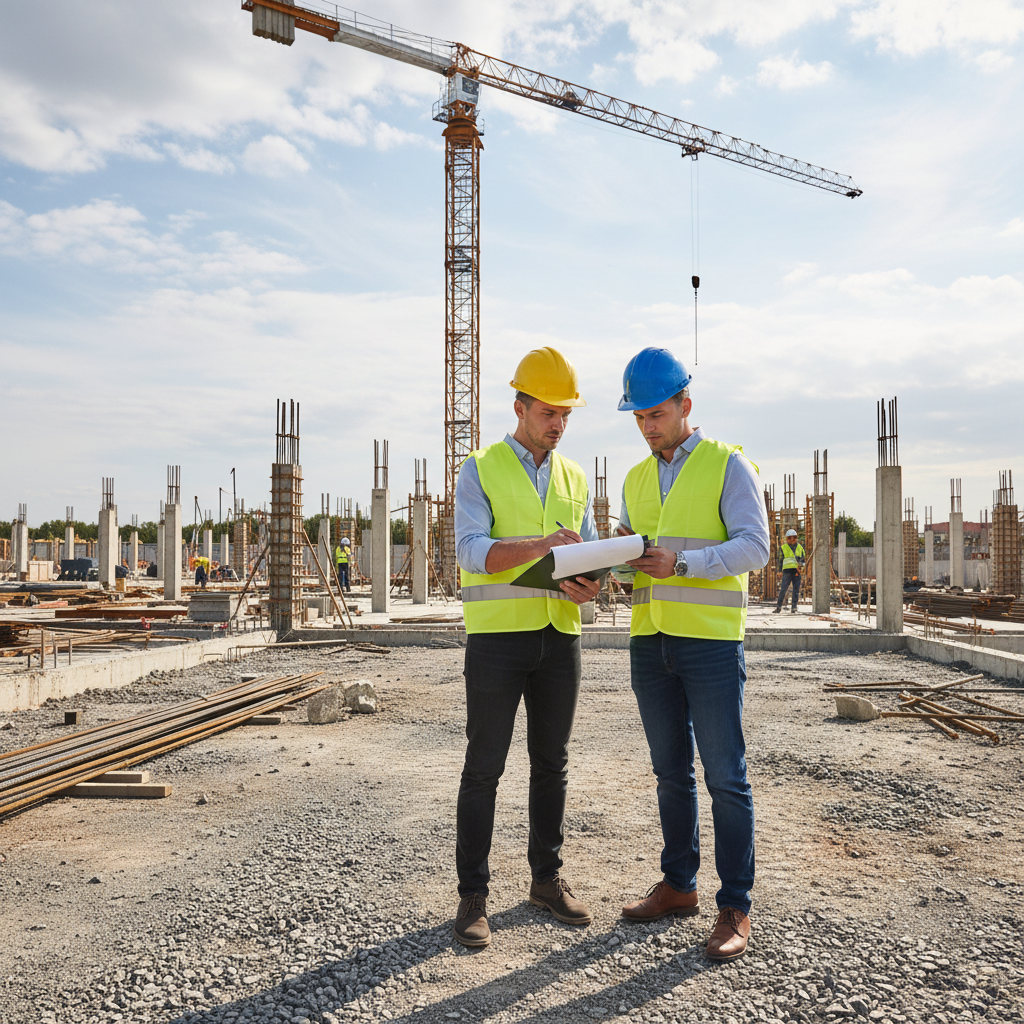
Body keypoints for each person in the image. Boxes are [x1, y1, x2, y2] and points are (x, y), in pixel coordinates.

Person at [614, 347, 769, 962]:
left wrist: (684, 564)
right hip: (651, 641)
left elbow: (755, 547)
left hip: (708, 642)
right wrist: (612, 566)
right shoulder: (634, 478)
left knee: (725, 777)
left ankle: (735, 905)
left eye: (656, 413)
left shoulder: (728, 466)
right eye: (639, 417)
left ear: (685, 404)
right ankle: (679, 885)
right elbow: (635, 557)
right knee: (669, 773)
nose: (648, 426)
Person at [452, 346, 602, 949]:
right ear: (519, 406)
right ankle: (473, 896)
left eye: (565, 413)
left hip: (559, 637)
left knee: (552, 764)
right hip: (497, 640)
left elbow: (587, 553)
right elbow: (471, 552)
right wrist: (543, 546)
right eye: (548, 411)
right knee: (484, 766)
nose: (558, 423)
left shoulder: (572, 477)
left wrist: (592, 581)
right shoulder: (480, 468)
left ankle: (546, 880)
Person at [774, 529, 805, 614]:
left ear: (796, 538)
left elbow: (803, 560)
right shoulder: (783, 548)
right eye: (790, 538)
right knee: (783, 589)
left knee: (796, 590)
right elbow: (780, 560)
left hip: (797, 571)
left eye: (794, 537)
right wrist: (779, 571)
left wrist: (801, 566)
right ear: (787, 539)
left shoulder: (800, 548)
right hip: (787, 571)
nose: (792, 539)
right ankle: (778, 607)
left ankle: (794, 607)